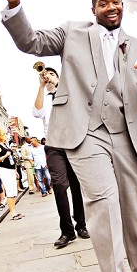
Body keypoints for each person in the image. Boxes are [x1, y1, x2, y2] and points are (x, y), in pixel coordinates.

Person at [1, 0, 137, 272]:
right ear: (93, 9)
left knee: (134, 205)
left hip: (126, 132)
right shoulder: (72, 32)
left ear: (123, 6)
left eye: (116, 1)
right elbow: (30, 41)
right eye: (103, 2)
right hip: (85, 133)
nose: (111, 6)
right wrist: (15, 4)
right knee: (104, 205)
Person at [33, 67, 89, 248]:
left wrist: (58, 85)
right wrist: (41, 87)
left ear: (58, 78)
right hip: (54, 146)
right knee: (58, 185)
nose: (47, 76)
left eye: (51, 74)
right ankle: (67, 231)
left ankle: (81, 224)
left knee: (76, 185)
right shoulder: (44, 97)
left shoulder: (68, 92)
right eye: (45, 74)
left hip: (73, 143)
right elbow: (36, 111)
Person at [0, 134, 24, 220]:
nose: (7, 136)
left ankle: (15, 211)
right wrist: (5, 156)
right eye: (5, 134)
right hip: (4, 169)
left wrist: (15, 170)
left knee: (14, 191)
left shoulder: (5, 144)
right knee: (10, 191)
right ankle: (12, 213)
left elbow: (11, 159)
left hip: (11, 169)